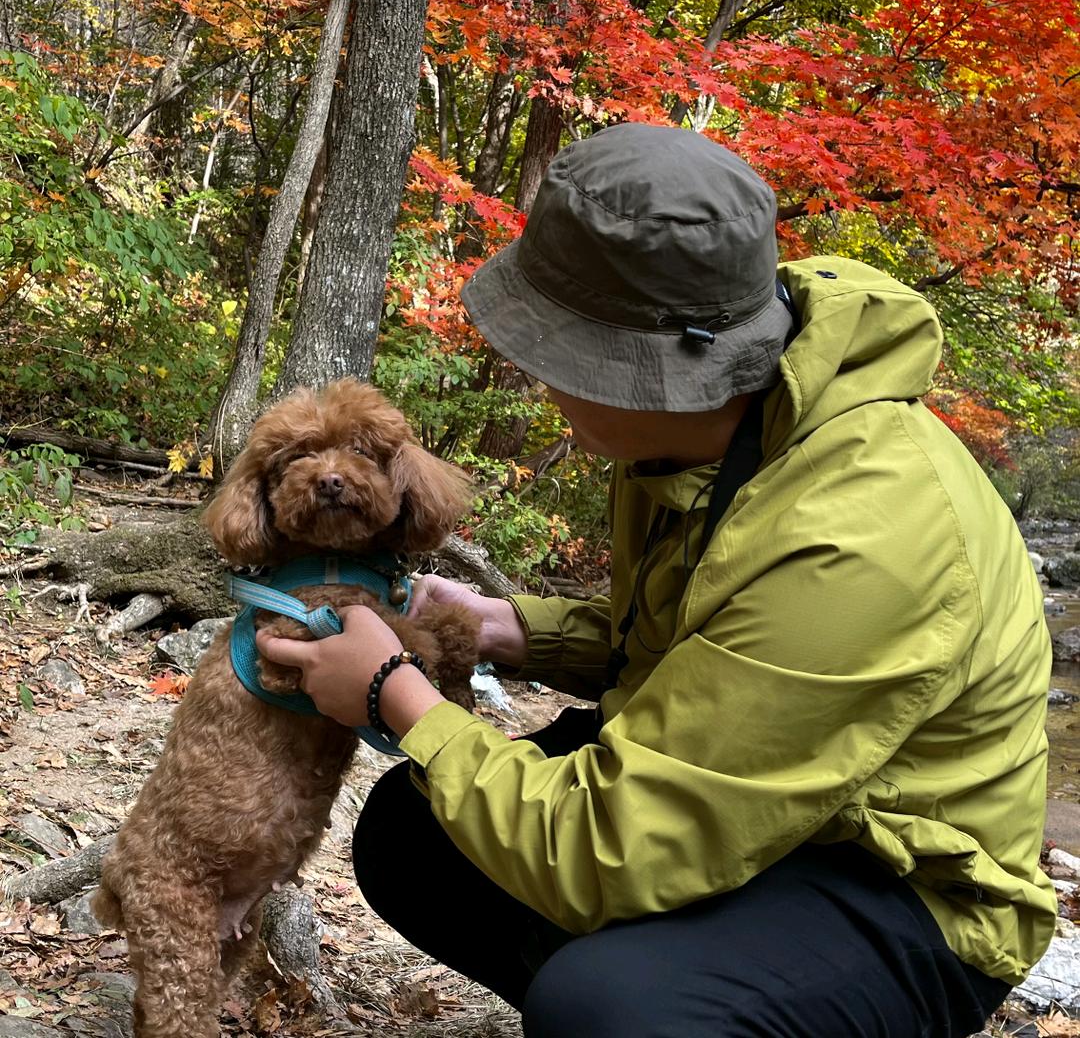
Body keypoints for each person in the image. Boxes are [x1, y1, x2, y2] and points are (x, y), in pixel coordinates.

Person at [256, 123, 1055, 1037]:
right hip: (758, 801)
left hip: (907, 885)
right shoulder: (704, 437)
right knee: (416, 832)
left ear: (647, 370)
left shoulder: (857, 537)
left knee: (617, 1006)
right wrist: (505, 626)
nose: (536, 375)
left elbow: (609, 849)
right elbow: (697, 647)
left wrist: (395, 696)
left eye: (555, 353)